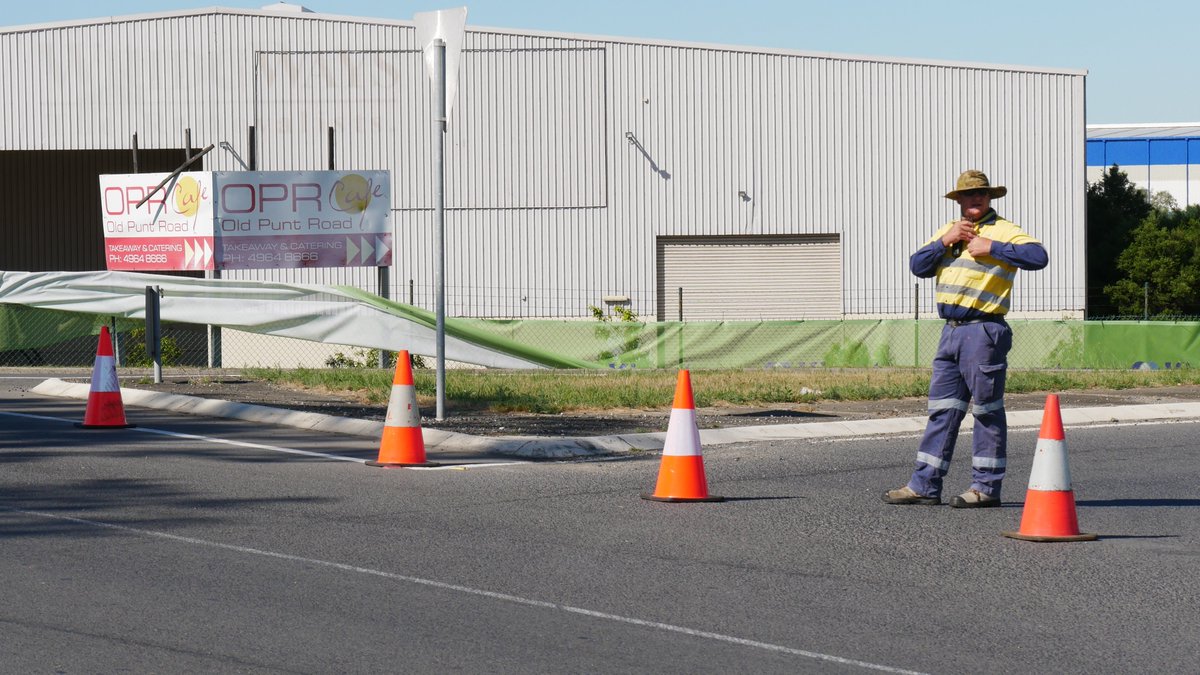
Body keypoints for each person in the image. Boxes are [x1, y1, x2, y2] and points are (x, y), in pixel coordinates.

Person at [883, 170, 1048, 508]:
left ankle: (985, 488)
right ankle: (924, 485)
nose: (976, 199)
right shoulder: (949, 231)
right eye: (969, 194)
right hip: (951, 331)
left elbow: (1038, 257)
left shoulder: (1004, 230)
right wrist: (943, 242)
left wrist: (994, 247)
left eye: (982, 194)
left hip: (984, 329)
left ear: (990, 198)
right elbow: (918, 266)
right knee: (942, 410)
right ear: (958, 199)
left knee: (986, 410)